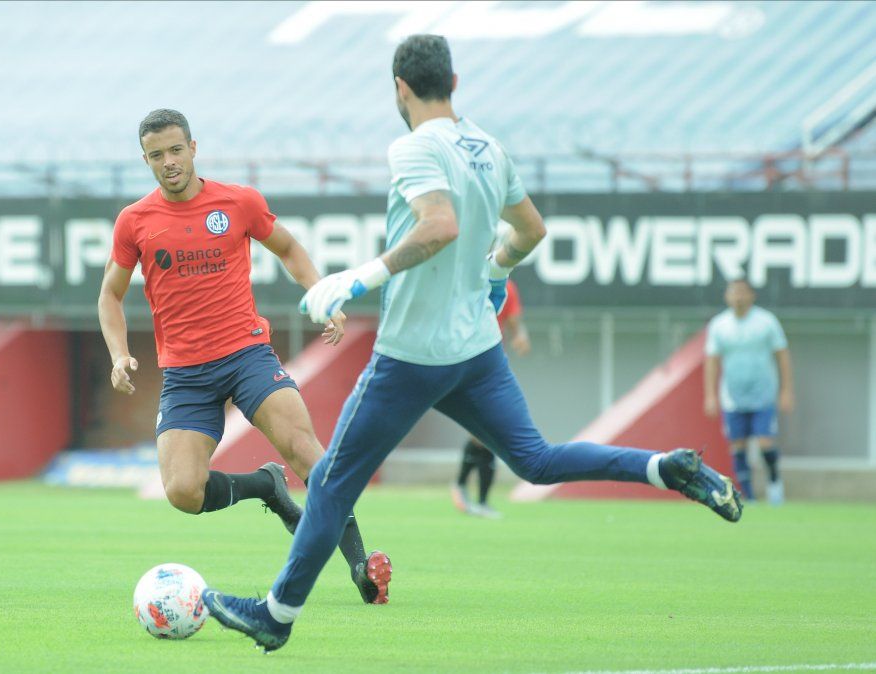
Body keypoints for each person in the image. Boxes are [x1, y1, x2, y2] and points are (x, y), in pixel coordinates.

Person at [201, 35, 742, 651]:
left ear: (400, 89)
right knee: (535, 460)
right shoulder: (489, 146)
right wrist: (496, 273)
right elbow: (531, 230)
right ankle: (662, 467)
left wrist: (360, 277)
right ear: (453, 83)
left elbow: (440, 225)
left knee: (329, 483)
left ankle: (276, 614)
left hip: (411, 354)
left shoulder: (411, 147)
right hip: (475, 352)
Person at [97, 109, 390, 604]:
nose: (168, 162)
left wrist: (323, 296)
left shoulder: (239, 202)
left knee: (305, 449)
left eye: (175, 150)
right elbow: (109, 295)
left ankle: (361, 563)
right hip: (186, 375)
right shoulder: (135, 221)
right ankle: (266, 488)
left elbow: (291, 249)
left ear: (193, 147)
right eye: (155, 155)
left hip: (246, 355)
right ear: (144, 159)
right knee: (183, 492)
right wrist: (119, 354)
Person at [704, 279, 794, 506]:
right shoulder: (719, 325)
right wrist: (711, 395)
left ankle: (774, 484)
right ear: (727, 296)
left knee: (765, 443)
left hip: (763, 395)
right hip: (733, 398)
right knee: (738, 445)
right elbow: (712, 361)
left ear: (752, 295)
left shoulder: (766, 322)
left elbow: (782, 355)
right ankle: (749, 496)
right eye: (733, 292)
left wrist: (786, 390)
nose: (738, 297)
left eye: (743, 292)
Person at [451, 279, 530, 519]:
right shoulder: (466, 282)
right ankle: (466, 488)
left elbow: (514, 321)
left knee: (490, 431)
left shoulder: (507, 287)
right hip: (466, 361)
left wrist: (520, 336)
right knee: (487, 431)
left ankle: (473, 494)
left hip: (492, 366)